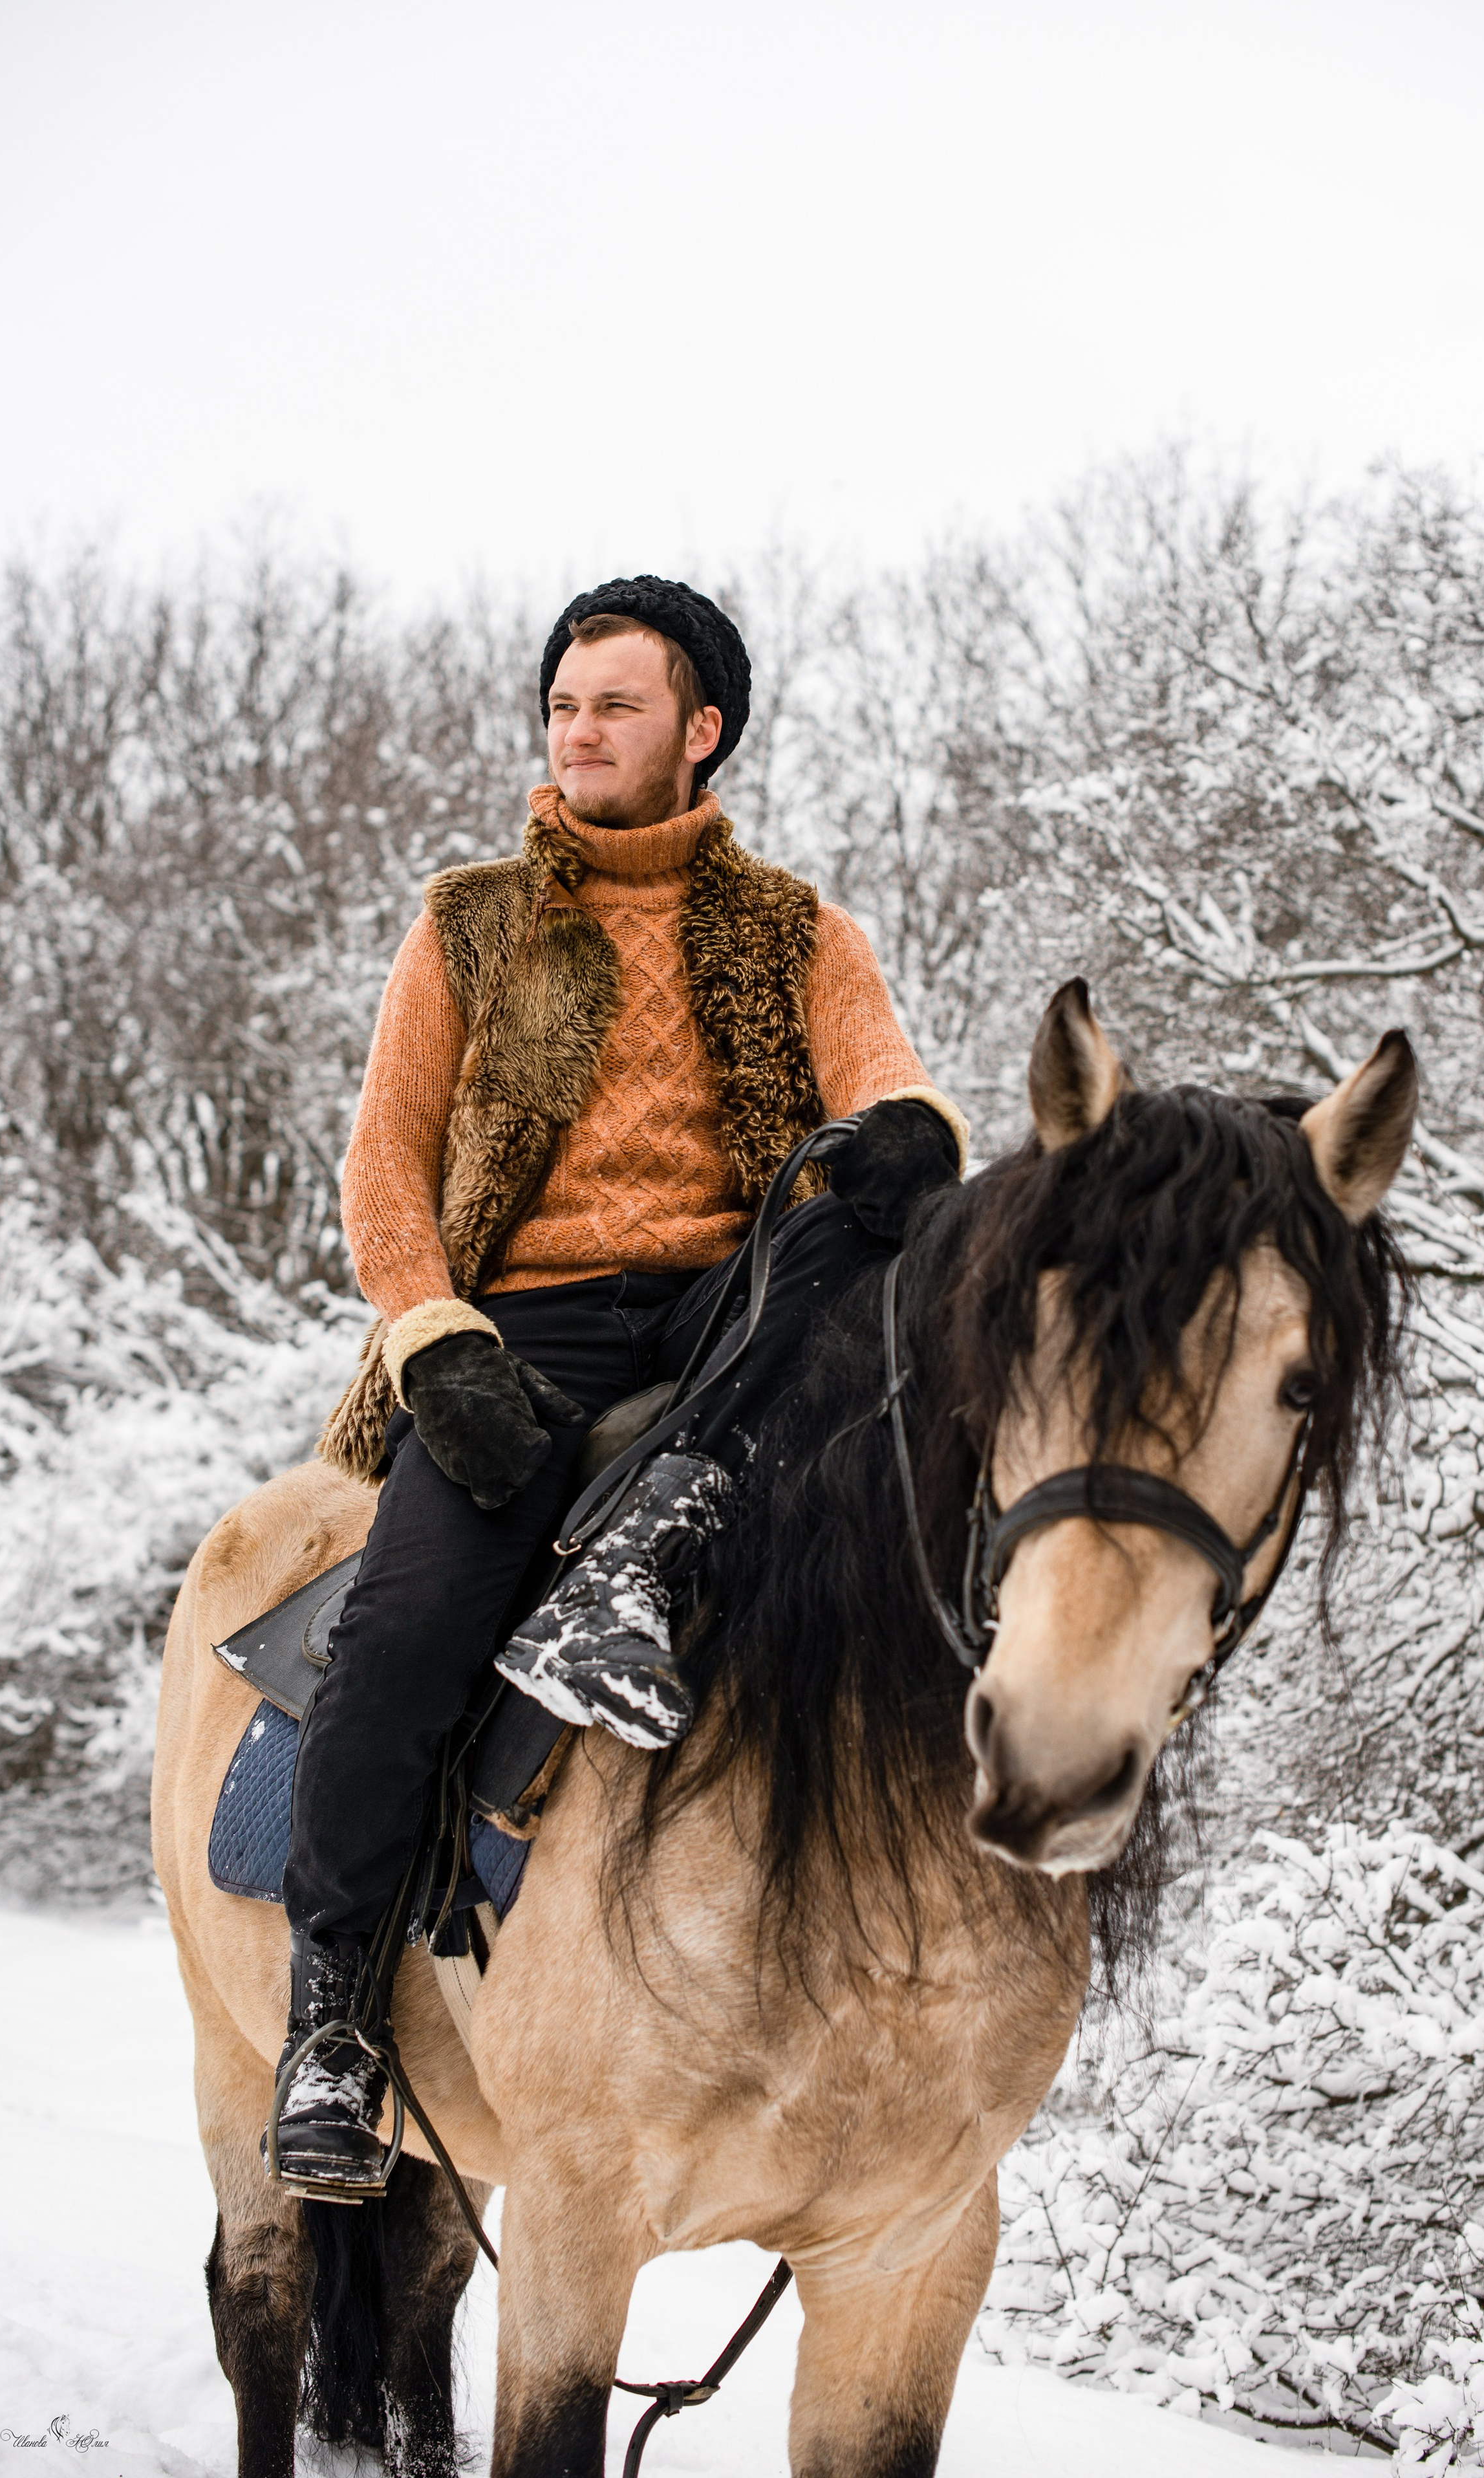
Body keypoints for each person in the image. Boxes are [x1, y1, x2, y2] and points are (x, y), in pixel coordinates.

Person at [272, 577, 967, 2193]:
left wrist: (903, 1139)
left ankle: (668, 1543)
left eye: (615, 707)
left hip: (740, 1313)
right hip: (524, 1322)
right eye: (563, 707)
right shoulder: (469, 920)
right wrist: (429, 1332)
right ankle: (333, 2027)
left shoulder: (798, 930)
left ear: (700, 730)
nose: (578, 734)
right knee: (396, 1637)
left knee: (853, 1245)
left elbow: (892, 1093)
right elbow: (384, 1157)